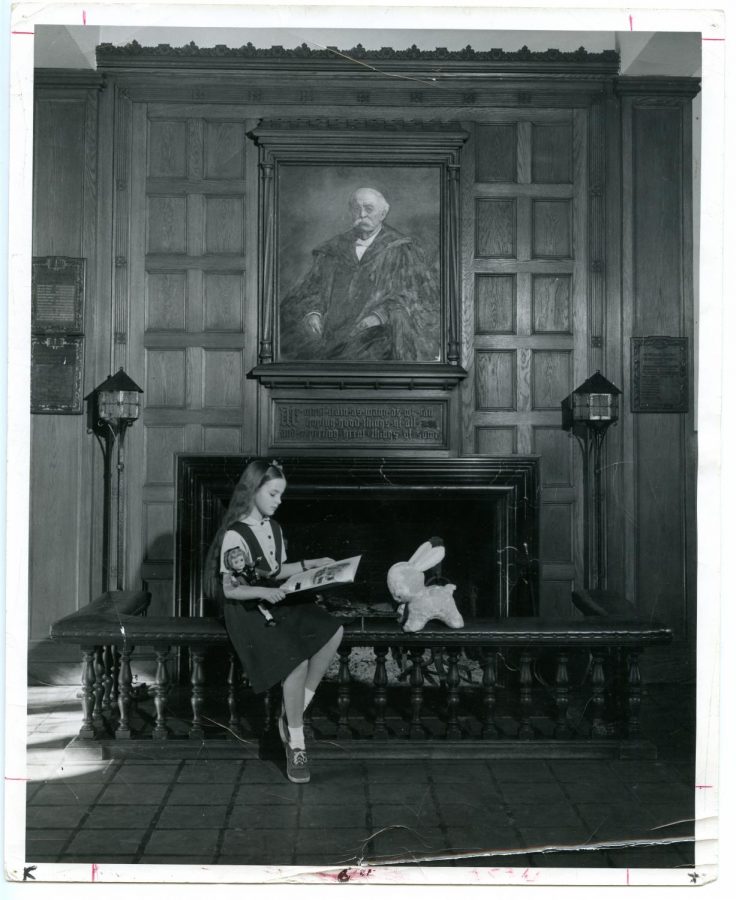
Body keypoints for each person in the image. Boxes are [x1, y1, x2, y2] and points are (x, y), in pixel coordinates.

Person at [205, 458, 344, 784]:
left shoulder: (274, 528)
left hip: (272, 596)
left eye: (281, 494)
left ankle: (290, 714)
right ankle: (296, 742)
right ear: (253, 491)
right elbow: (231, 589)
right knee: (294, 661)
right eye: (273, 494)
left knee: (333, 631)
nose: (279, 501)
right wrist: (264, 594)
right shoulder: (235, 535)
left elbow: (274, 571)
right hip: (247, 608)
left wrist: (314, 564)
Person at [279, 187, 440, 361]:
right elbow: (310, 289)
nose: (362, 214)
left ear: (383, 213)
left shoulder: (402, 249)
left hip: (379, 336)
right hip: (330, 336)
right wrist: (312, 312)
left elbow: (417, 295)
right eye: (356, 209)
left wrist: (381, 316)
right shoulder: (332, 250)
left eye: (368, 209)